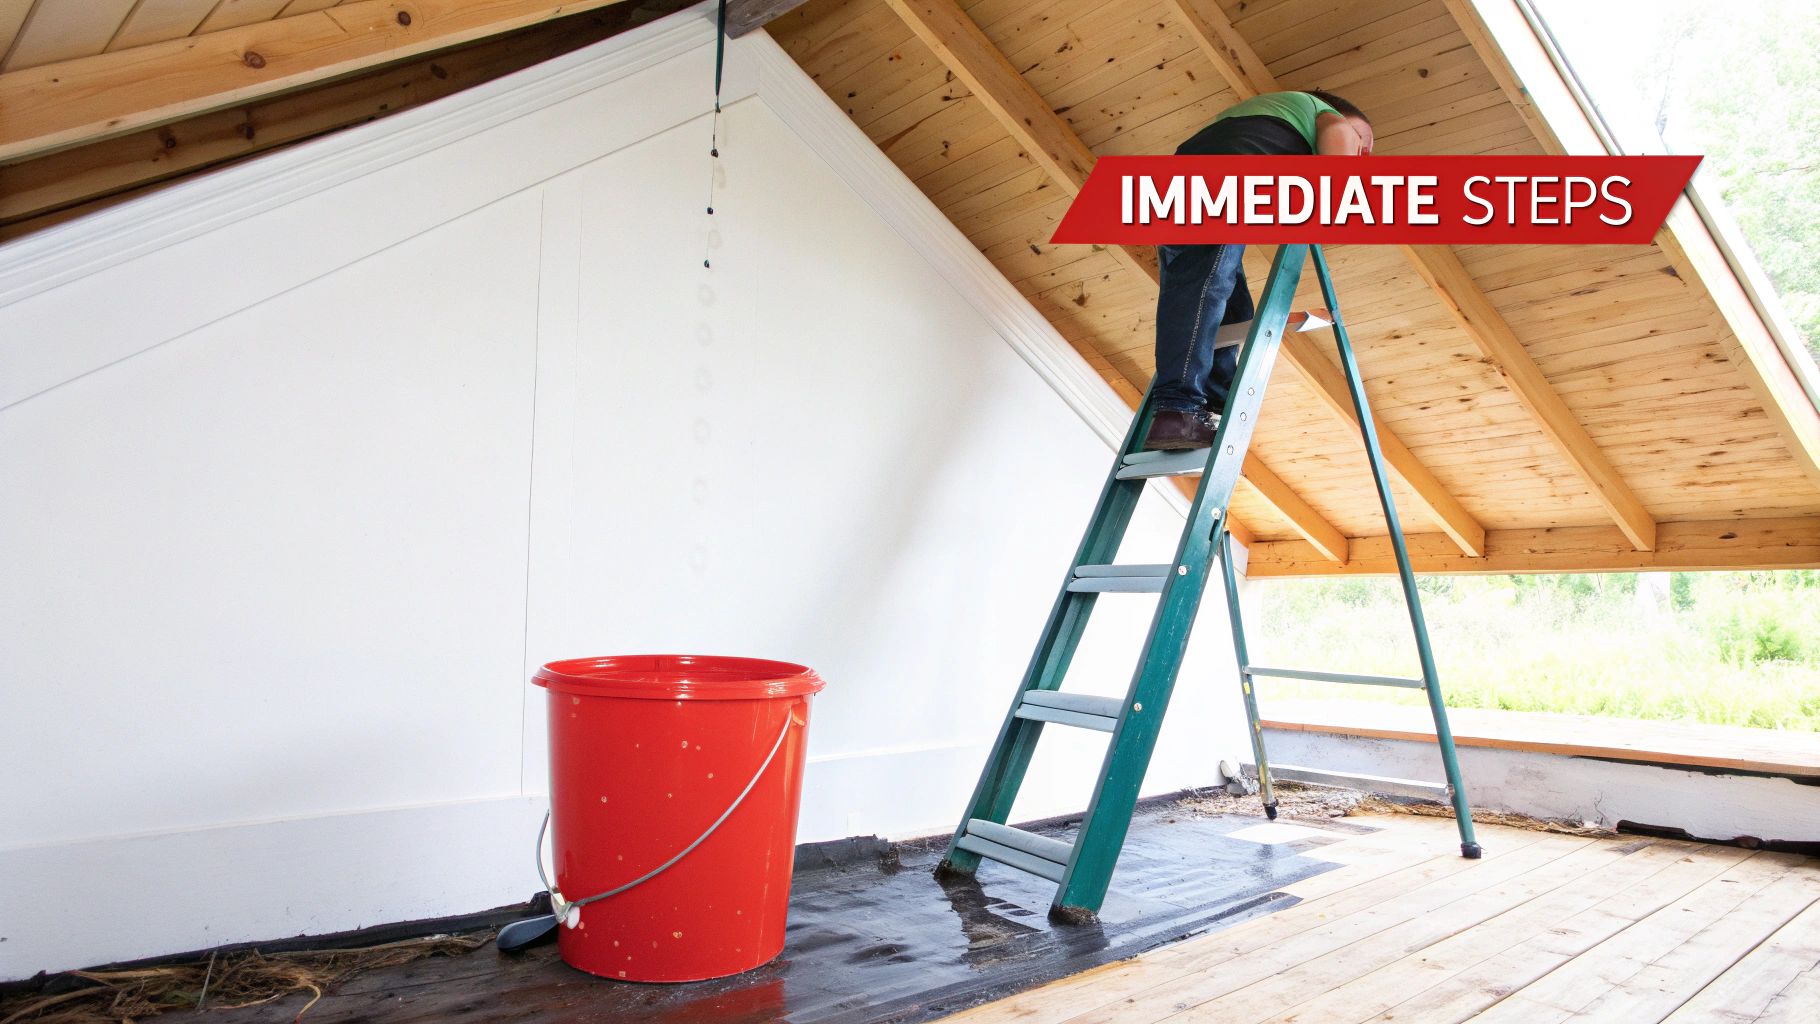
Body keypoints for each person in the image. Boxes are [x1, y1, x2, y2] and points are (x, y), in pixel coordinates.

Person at [1144, 90, 1375, 450]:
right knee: (1206, 290)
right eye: (1365, 142)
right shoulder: (1330, 118)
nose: (1364, 155)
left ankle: (1214, 398)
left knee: (1228, 304)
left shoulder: (1267, 118)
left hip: (1173, 186)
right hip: (1222, 180)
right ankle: (1178, 411)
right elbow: (1338, 177)